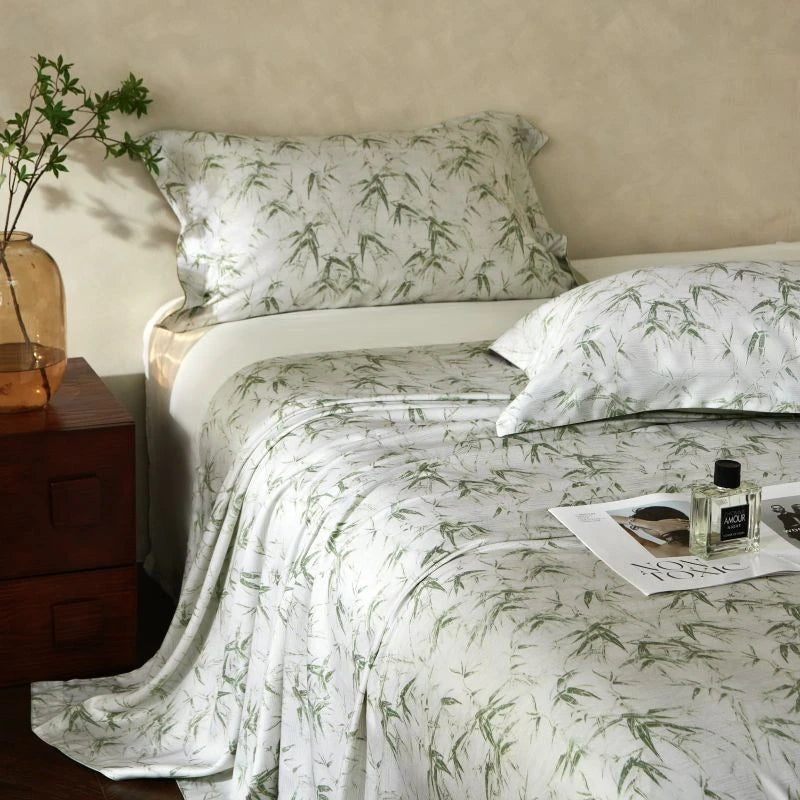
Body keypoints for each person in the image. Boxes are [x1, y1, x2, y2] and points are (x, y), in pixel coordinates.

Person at [611, 504, 690, 557]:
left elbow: (606, 519)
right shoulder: (699, 541)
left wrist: (647, 524)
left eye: (646, 529)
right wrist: (650, 524)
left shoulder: (648, 546)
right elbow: (607, 519)